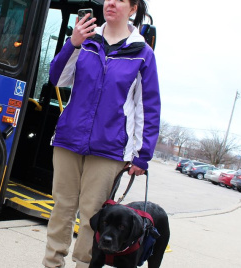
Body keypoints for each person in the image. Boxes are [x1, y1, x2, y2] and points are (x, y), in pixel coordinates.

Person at [42, 0, 160, 267]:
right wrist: (72, 43)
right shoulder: (85, 40)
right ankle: (51, 263)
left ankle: (83, 264)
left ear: (132, 9)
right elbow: (57, 79)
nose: (111, 3)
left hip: (109, 148)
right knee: (62, 208)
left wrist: (142, 155)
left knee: (93, 216)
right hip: (69, 140)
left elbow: (148, 107)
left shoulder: (143, 53)